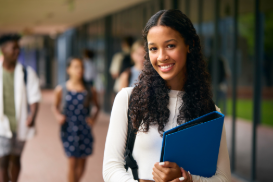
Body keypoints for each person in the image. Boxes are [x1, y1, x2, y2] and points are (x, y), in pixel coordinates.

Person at [103, 9, 231, 182]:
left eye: (170, 45)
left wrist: (189, 180)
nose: (161, 56)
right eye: (153, 48)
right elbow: (111, 168)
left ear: (189, 45)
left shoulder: (208, 110)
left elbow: (223, 178)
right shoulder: (128, 99)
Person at [0, 34, 41, 182]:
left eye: (19, 48)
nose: (17, 51)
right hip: (1, 125)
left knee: (16, 159)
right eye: (14, 48)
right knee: (2, 161)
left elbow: (34, 97)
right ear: (3, 50)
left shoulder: (26, 73)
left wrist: (33, 116)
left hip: (20, 123)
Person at [52, 58, 100, 182]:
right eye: (76, 67)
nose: (79, 70)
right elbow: (55, 107)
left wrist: (93, 119)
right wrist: (58, 116)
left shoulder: (90, 89)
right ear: (68, 70)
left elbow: (97, 106)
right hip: (68, 129)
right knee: (72, 162)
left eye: (81, 67)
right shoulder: (61, 89)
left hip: (84, 129)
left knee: (82, 164)